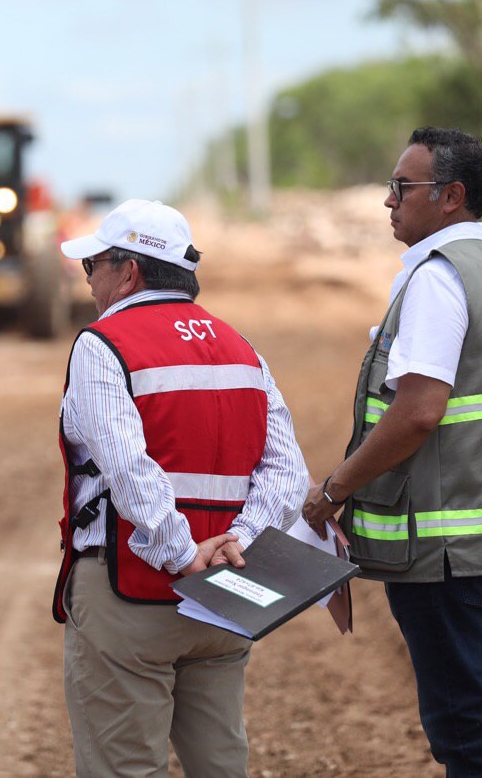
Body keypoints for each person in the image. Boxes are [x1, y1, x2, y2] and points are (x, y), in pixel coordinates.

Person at [302, 128, 482, 776]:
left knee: (469, 733)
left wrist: (336, 488)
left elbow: (417, 410)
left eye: (402, 186)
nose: (388, 200)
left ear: (452, 196)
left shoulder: (439, 278)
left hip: (448, 547)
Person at [51, 199, 309, 777]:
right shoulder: (242, 348)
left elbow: (127, 467)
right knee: (220, 764)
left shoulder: (103, 343)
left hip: (133, 593)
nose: (88, 278)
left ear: (129, 270)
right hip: (226, 598)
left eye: (93, 265)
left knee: (125, 768)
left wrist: (182, 554)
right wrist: (237, 542)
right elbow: (288, 471)